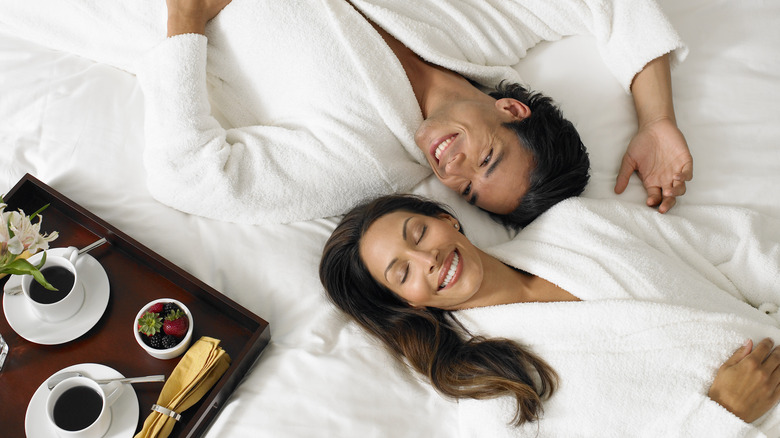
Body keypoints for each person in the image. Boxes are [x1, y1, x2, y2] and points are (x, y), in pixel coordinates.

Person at [0, 0, 692, 226]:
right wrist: (656, 121)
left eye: (467, 191)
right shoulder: (479, 32)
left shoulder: (362, 161)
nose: (451, 171)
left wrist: (183, 23)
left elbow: (192, 176)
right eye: (486, 158)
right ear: (511, 107)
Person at [319, 194, 780, 436]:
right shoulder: (488, 392)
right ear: (407, 304)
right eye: (402, 272)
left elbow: (737, 248)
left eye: (418, 233)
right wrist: (722, 418)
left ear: (446, 219)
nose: (428, 259)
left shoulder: (576, 224)